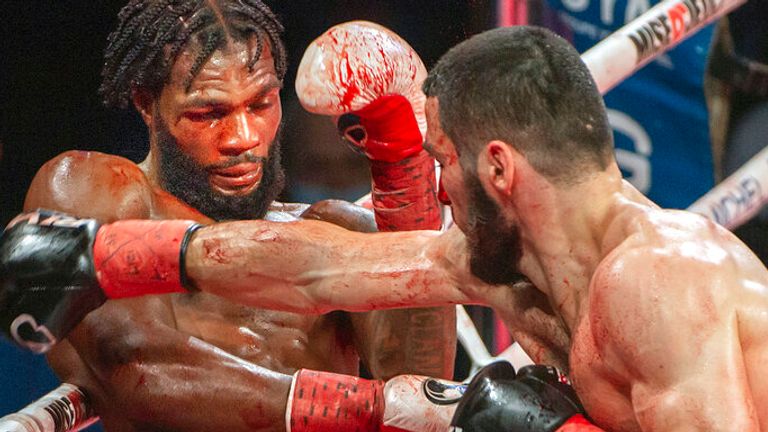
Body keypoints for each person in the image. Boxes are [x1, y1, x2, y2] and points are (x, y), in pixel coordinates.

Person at [4, 25, 768, 431]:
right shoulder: (512, 263)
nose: (430, 187)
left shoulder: (658, 280)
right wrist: (105, 256)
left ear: (498, 169)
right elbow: (315, 267)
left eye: (436, 159)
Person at [1, 2, 458, 431]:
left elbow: (421, 385)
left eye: (261, 104)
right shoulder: (94, 190)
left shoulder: (334, 228)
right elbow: (133, 363)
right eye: (209, 112)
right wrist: (366, 405)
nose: (243, 137)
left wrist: (403, 164)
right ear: (146, 103)